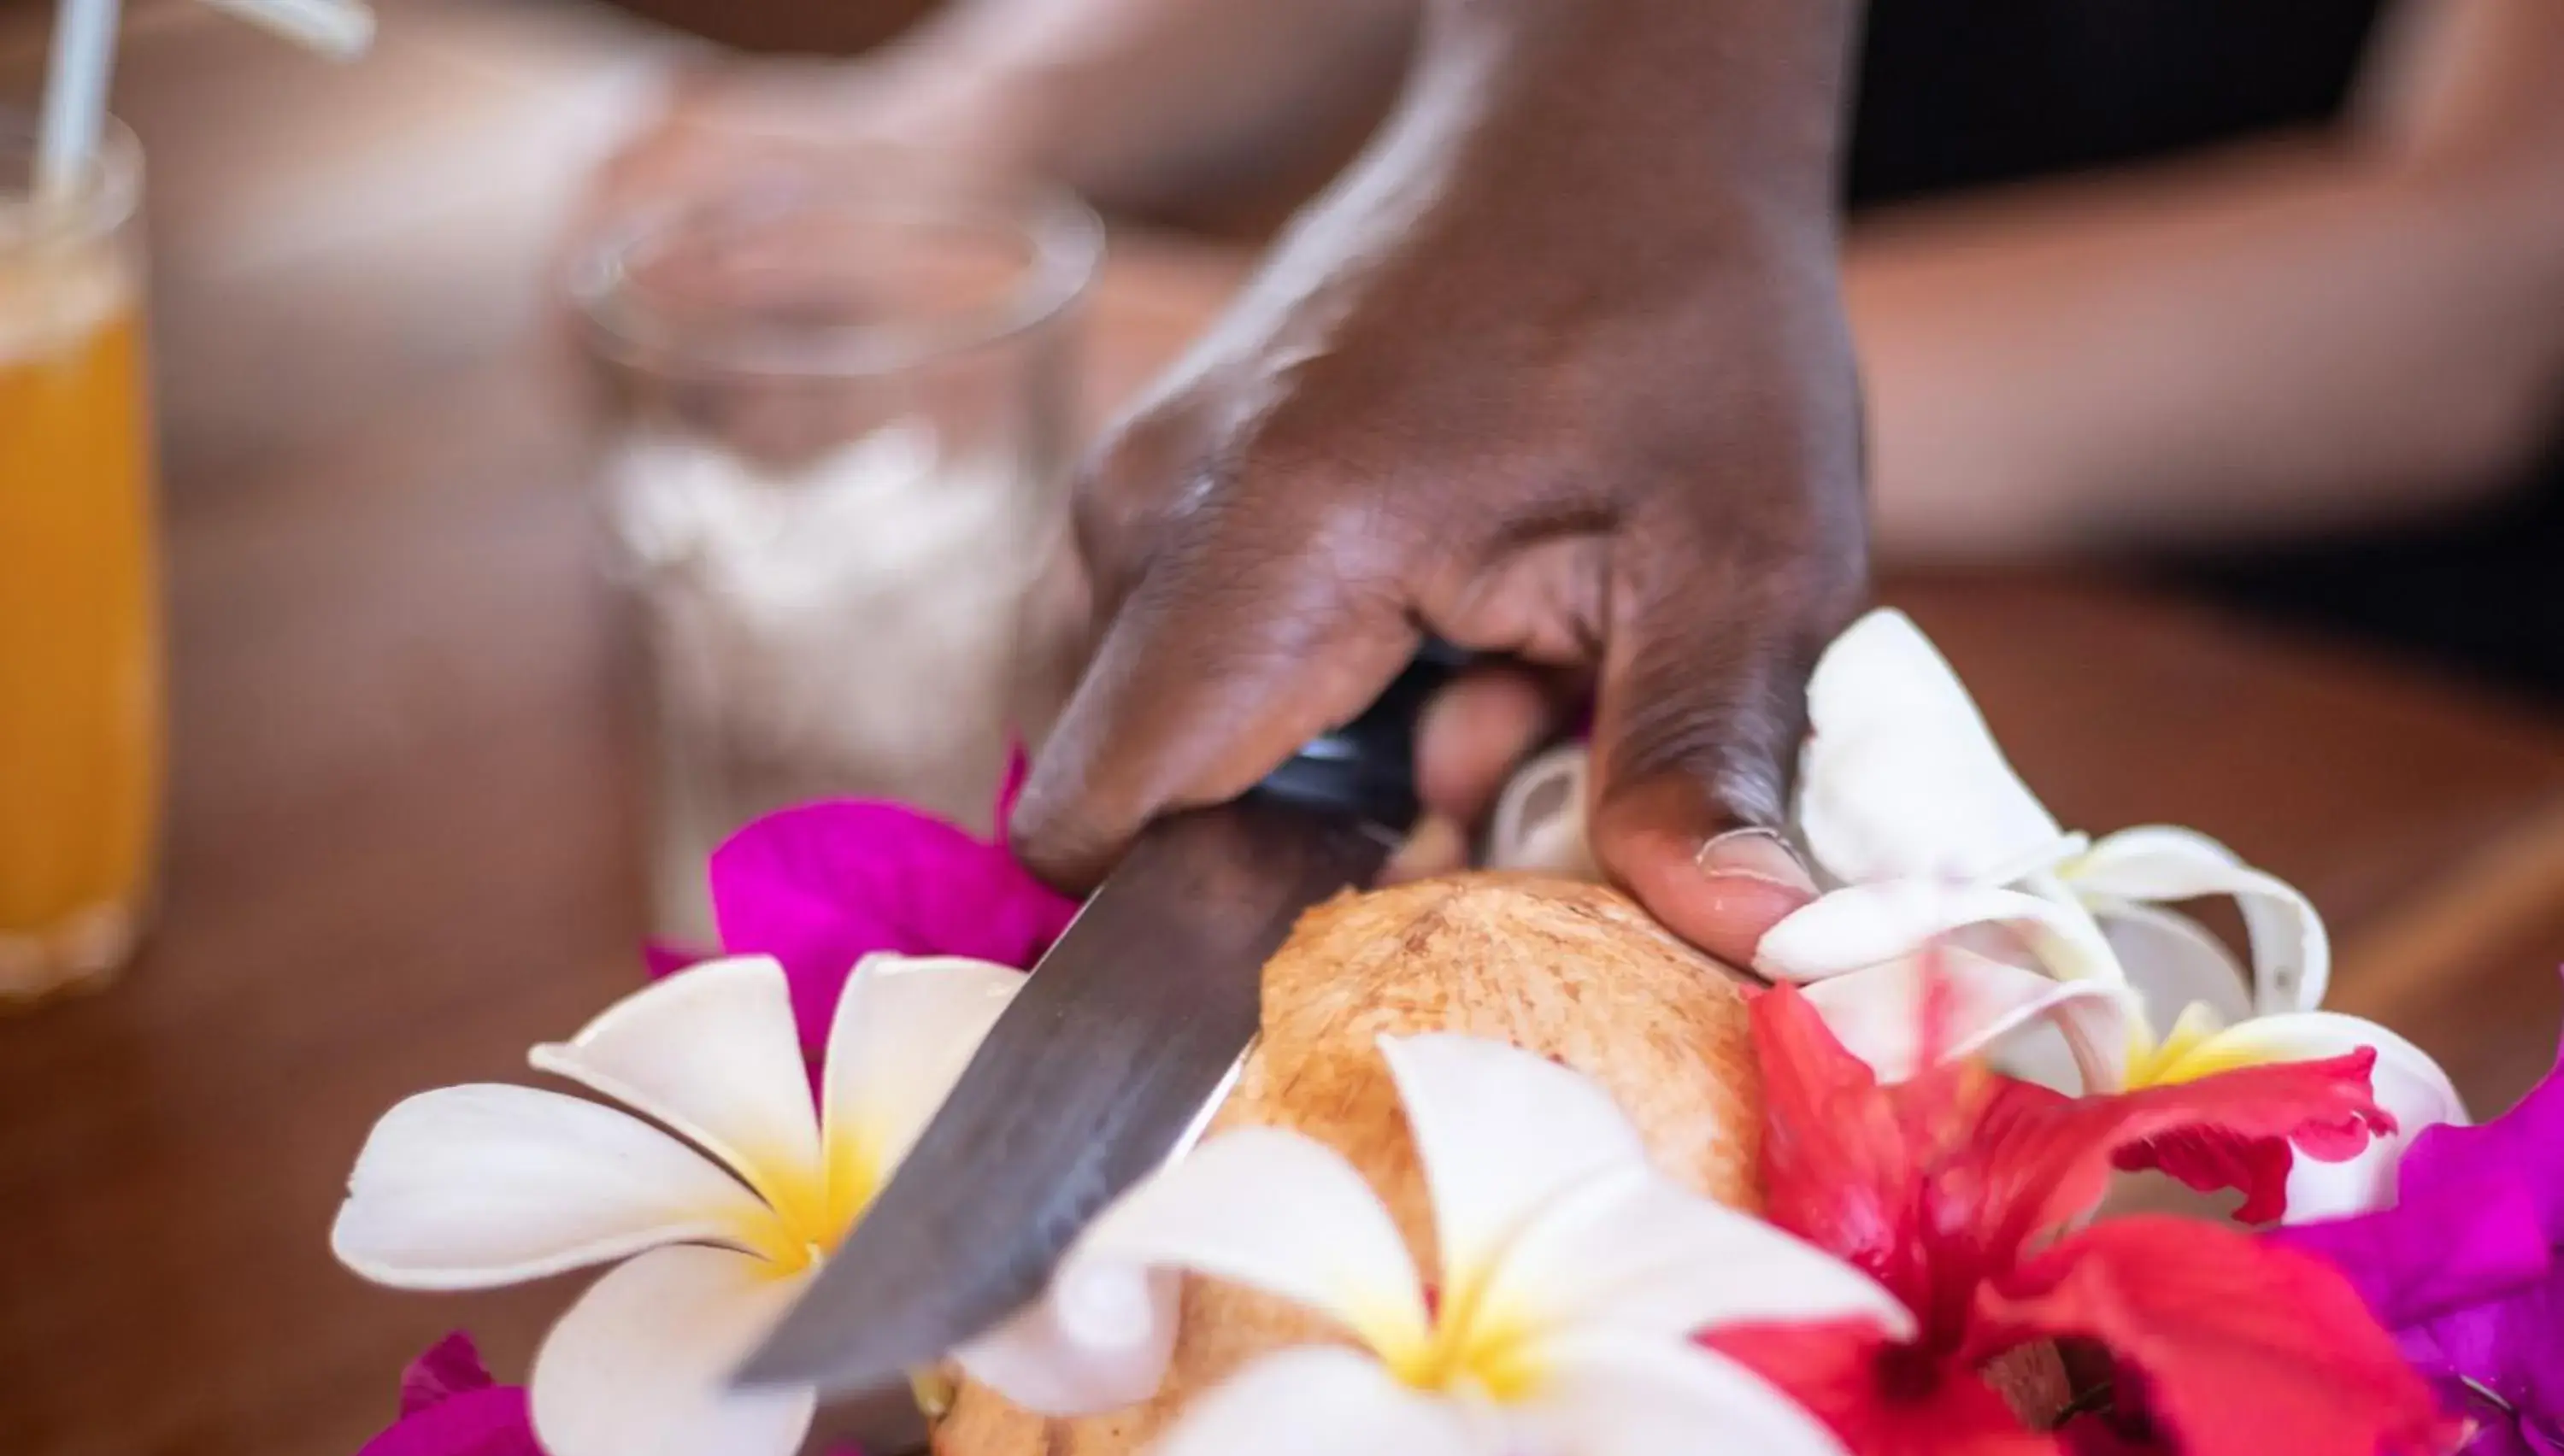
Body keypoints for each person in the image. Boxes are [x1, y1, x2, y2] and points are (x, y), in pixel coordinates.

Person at [602, 0, 2564, 962]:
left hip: (2333, 706)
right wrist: (979, 99)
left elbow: (2478, 274)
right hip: (1645, 541)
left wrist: (1174, 327)